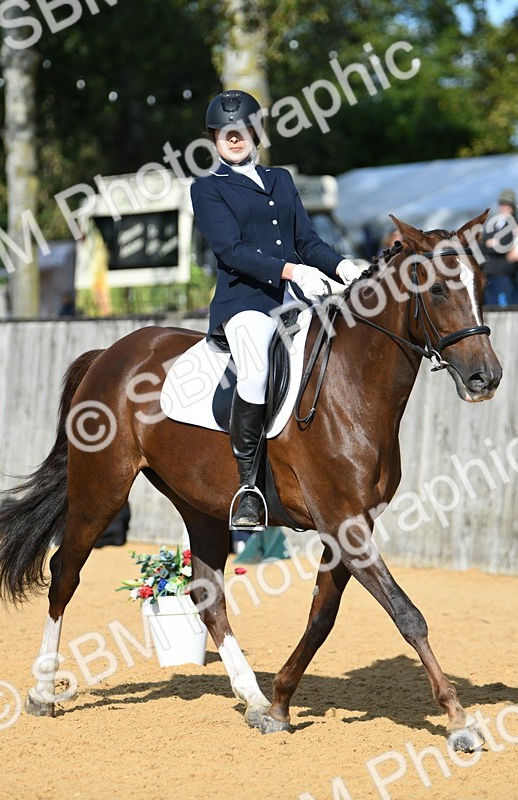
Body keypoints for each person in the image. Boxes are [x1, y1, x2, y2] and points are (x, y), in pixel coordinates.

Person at [190, 89, 365, 530]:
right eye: (225, 133)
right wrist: (291, 271)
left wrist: (343, 266)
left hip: (294, 300)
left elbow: (306, 240)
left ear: (255, 132)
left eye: (242, 130)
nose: (234, 138)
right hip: (245, 306)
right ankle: (248, 487)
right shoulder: (208, 189)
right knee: (254, 372)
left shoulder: (281, 179)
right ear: (215, 138)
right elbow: (231, 251)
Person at [482, 189, 518, 306]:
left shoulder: (514, 224)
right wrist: (489, 243)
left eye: (507, 205)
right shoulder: (496, 223)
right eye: (502, 204)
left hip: (502, 274)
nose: (504, 207)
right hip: (489, 274)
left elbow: (503, 245)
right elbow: (483, 243)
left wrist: (492, 243)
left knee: (502, 306)